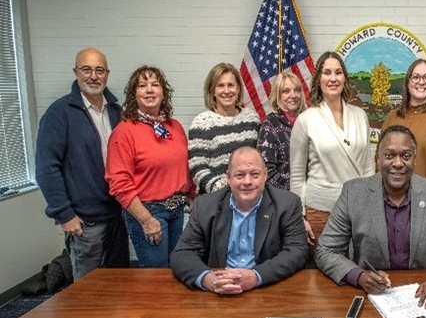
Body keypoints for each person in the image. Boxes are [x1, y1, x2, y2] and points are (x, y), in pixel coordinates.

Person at [315, 125, 426, 307]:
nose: (398, 163)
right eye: (389, 155)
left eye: (406, 156)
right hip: (371, 296)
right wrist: (360, 276)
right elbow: (326, 251)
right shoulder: (353, 193)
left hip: (424, 294)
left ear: (415, 160)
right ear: (377, 159)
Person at [35, 48, 129, 280]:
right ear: (76, 72)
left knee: (119, 283)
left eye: (99, 70)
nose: (93, 76)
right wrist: (64, 214)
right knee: (86, 289)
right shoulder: (59, 114)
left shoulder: (116, 111)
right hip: (85, 222)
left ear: (107, 74)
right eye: (87, 69)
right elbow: (46, 168)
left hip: (117, 215)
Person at [171, 146, 307, 294]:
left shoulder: (287, 204)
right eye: (240, 175)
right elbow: (182, 254)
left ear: (265, 175)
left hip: (266, 289)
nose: (247, 181)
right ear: (228, 177)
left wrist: (256, 277)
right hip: (218, 290)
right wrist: (208, 280)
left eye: (255, 174)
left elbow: (296, 251)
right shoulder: (205, 206)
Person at [106, 65, 195, 268]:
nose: (149, 90)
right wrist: (146, 220)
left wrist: (191, 194)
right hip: (148, 212)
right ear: (134, 94)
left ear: (163, 93)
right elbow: (118, 182)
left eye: (155, 85)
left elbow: (184, 165)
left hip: (177, 209)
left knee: (176, 268)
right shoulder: (124, 131)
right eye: (142, 86)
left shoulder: (174, 127)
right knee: (156, 275)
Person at [290, 51, 373, 255]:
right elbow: (297, 175)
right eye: (327, 73)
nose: (333, 78)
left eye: (338, 72)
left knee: (358, 267)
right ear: (318, 79)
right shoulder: (306, 120)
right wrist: (300, 216)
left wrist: (371, 203)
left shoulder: (360, 116)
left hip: (358, 209)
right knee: (323, 269)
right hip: (319, 211)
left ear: (345, 78)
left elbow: (368, 166)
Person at [188, 63, 260, 195]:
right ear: (212, 90)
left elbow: (259, 159)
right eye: (220, 86)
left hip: (250, 194)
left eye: (231, 85)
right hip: (217, 197)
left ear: (238, 88)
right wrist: (221, 189)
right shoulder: (202, 123)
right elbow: (197, 167)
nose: (226, 91)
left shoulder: (252, 118)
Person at [257, 72, 307, 190]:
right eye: (286, 91)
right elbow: (266, 172)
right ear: (278, 95)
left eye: (297, 90)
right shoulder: (270, 125)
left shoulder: (309, 119)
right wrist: (297, 190)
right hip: (285, 195)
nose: (293, 95)